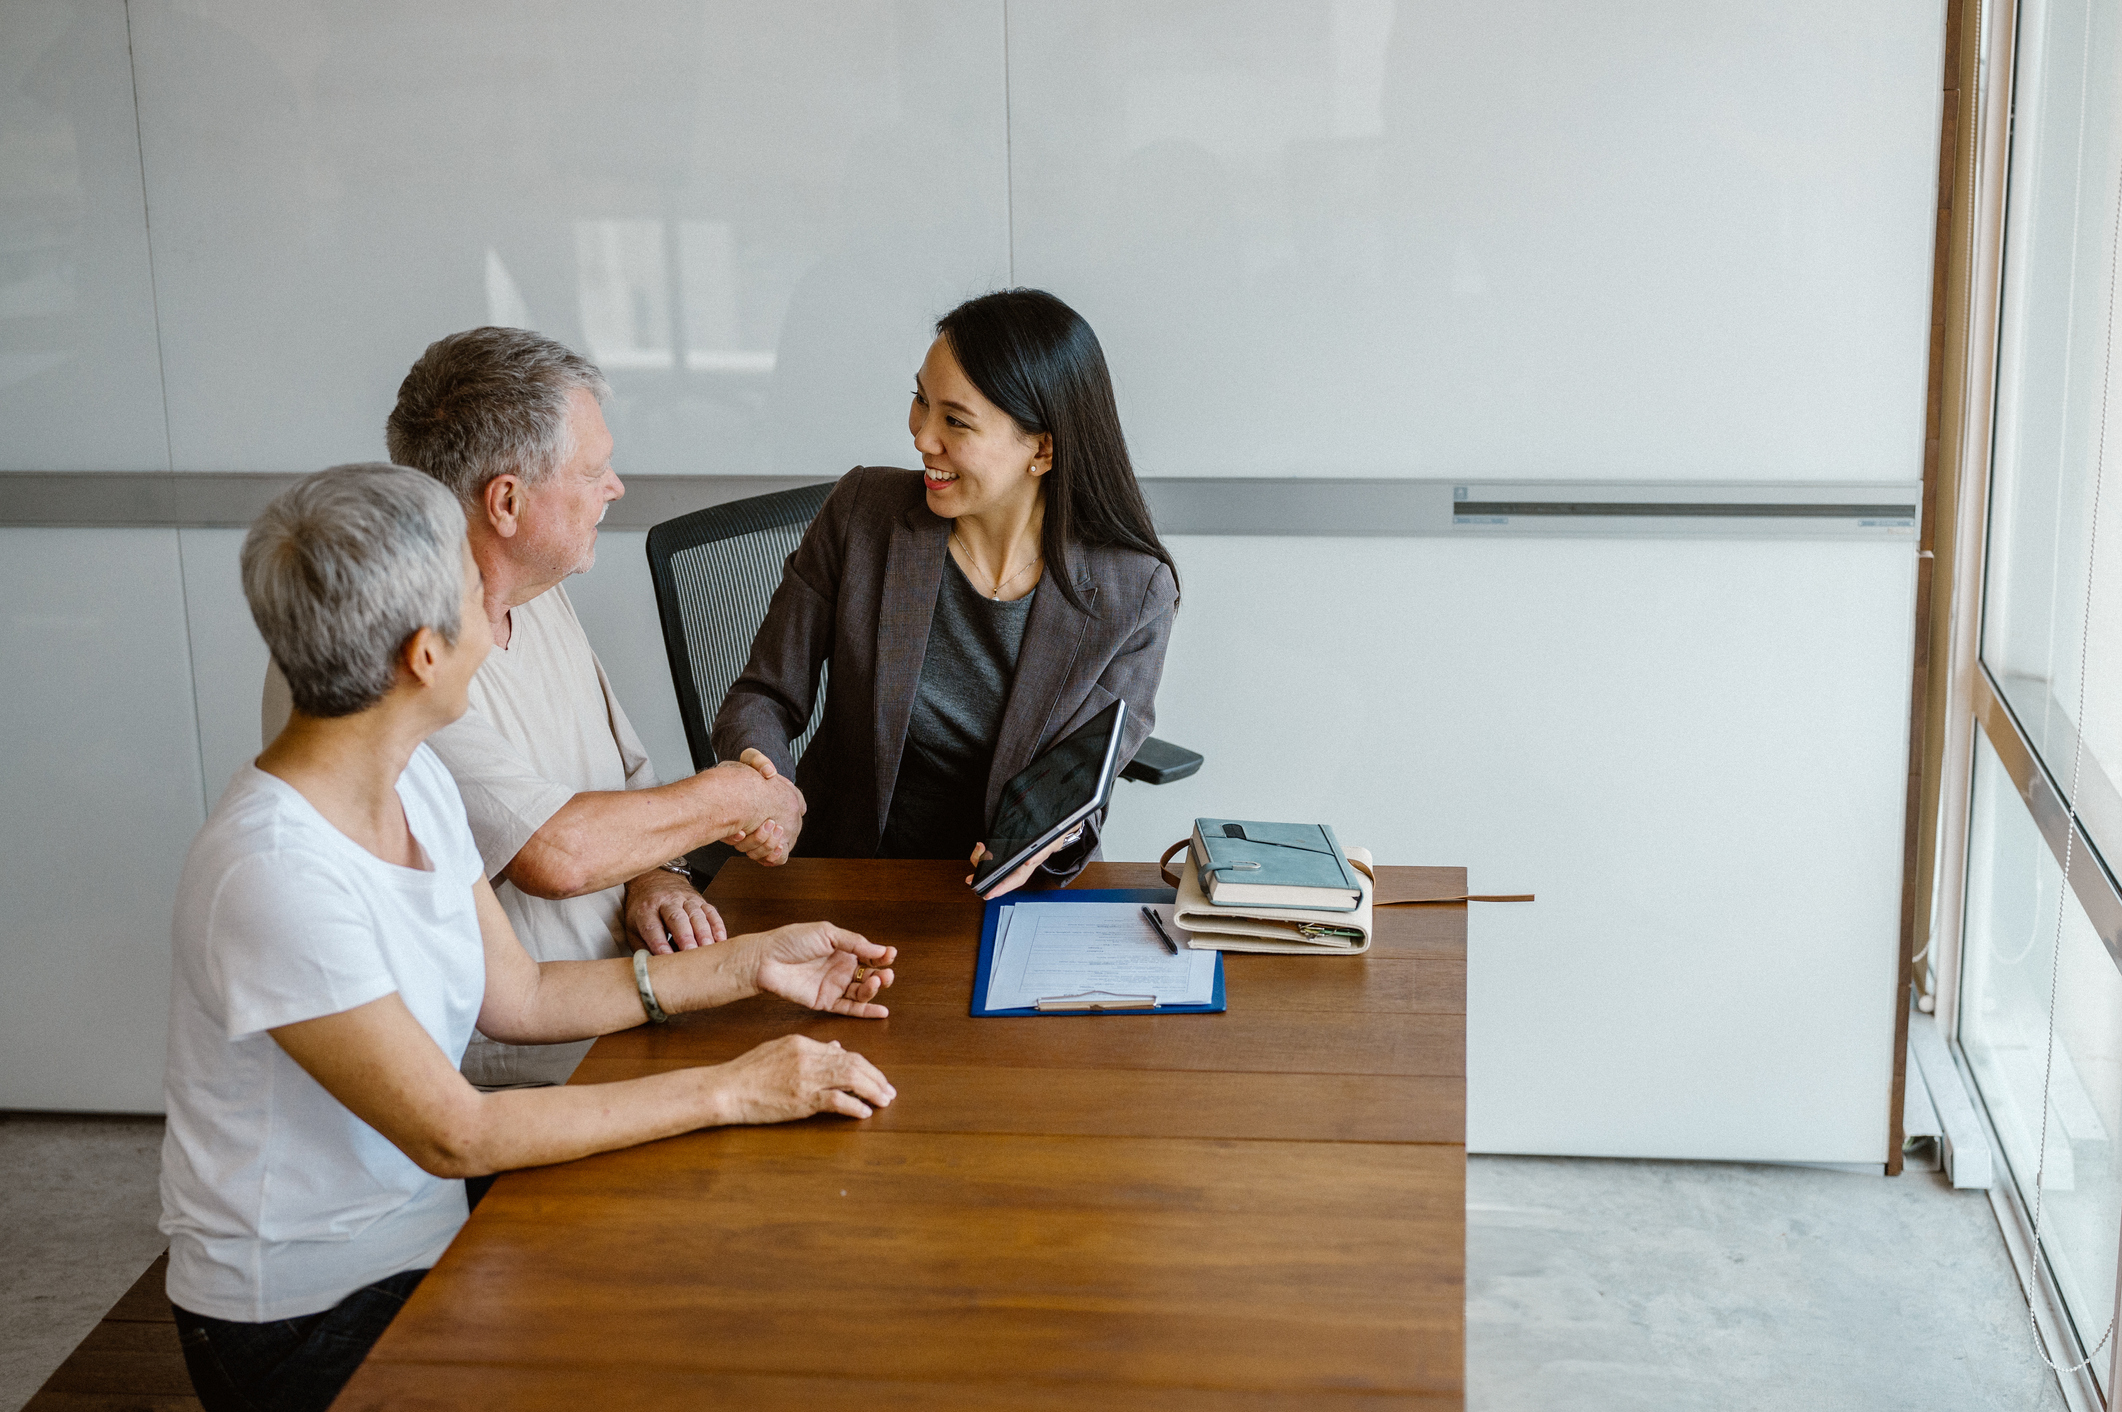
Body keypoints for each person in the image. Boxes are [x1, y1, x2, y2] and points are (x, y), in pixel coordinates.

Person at [165, 465, 896, 1412]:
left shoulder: (411, 781)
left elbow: (519, 999)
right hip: (307, 1316)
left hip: (429, 1237)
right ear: (426, 655)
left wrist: (746, 965)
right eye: (479, 597)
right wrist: (735, 1088)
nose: (500, 617)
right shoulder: (273, 875)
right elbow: (458, 1133)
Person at [264, 328, 807, 1088]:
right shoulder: (394, 658)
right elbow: (554, 853)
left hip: (623, 999)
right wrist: (741, 796)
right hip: (520, 1063)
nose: (615, 487)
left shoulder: (536, 592)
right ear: (508, 502)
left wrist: (659, 876)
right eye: (594, 471)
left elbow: (625, 798)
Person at [714, 288, 1179, 895]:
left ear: (1041, 448)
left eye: (955, 420)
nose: (921, 436)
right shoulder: (863, 513)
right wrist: (763, 780)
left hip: (1000, 894)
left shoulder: (1133, 592)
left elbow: (1080, 787)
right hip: (842, 871)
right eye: (920, 400)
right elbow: (763, 694)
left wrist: (1043, 844)